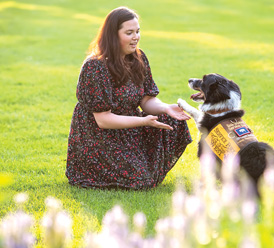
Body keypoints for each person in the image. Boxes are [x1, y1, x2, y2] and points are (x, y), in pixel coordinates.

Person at [65, 7, 192, 189]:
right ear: (113, 35)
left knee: (173, 120)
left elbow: (146, 100)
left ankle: (143, 165)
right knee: (141, 180)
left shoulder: (138, 58)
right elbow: (103, 120)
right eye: (129, 33)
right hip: (98, 136)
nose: (136, 37)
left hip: (129, 127)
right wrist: (143, 122)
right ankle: (137, 168)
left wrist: (165, 108)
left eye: (138, 31)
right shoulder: (95, 67)